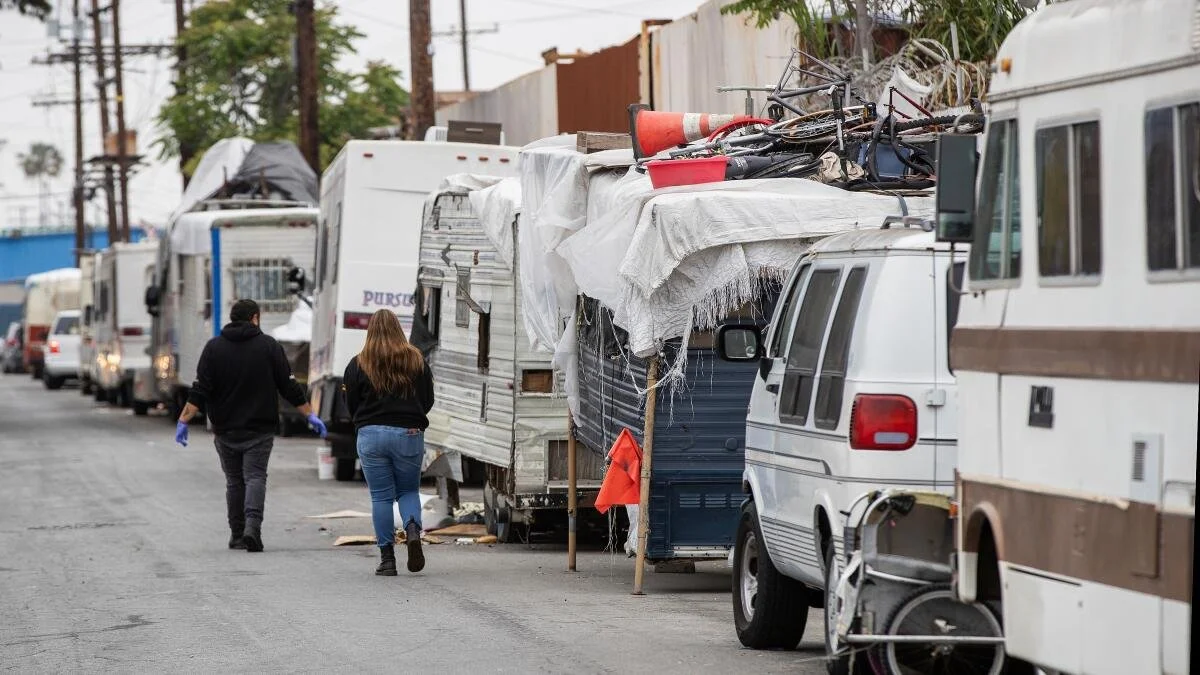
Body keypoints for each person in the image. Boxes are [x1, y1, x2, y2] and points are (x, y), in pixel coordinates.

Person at [174, 299, 327, 552]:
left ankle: (236, 534)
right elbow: (289, 386)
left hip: (225, 430)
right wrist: (309, 414)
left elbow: (200, 389)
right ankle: (252, 529)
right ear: (255, 317)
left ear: (233, 318)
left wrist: (183, 420)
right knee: (255, 477)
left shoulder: (213, 348)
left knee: (234, 481)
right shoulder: (268, 346)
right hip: (260, 429)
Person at [342, 309, 434, 576]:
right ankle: (413, 528)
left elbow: (351, 404)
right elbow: (427, 399)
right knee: (408, 491)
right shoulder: (416, 360)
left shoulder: (358, 363)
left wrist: (365, 420)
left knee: (381, 497)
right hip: (409, 433)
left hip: (371, 435)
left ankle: (387, 559)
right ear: (398, 328)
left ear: (370, 331)